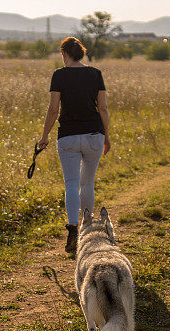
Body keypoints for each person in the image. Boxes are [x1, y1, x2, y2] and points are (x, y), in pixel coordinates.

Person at [37, 36, 111, 254]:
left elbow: (53, 110)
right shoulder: (95, 74)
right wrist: (107, 136)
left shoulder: (59, 75)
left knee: (71, 184)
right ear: (81, 53)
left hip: (68, 136)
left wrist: (44, 136)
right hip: (94, 136)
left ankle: (72, 230)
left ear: (63, 53)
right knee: (87, 183)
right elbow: (103, 108)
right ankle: (87, 228)